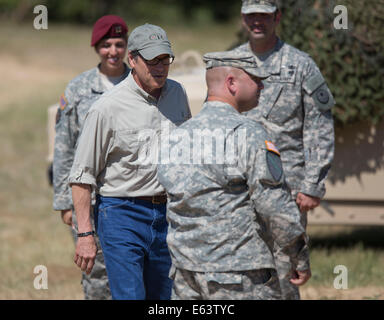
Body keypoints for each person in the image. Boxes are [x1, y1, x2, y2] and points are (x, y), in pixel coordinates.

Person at [156, 50, 311, 300]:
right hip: (239, 276)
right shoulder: (249, 134)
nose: (262, 85)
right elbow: (273, 205)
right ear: (231, 83)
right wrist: (298, 253)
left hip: (186, 275)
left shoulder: (175, 137)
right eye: (256, 79)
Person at [68, 23, 192, 300]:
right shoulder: (106, 108)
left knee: (164, 298)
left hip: (169, 215)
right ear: (133, 60)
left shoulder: (178, 94)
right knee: (130, 296)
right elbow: (82, 175)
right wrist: (85, 234)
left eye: (164, 60)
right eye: (151, 61)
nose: (159, 67)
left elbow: (187, 155)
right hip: (122, 213)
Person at [232, 0, 335, 299]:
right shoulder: (230, 65)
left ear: (277, 16)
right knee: (239, 270)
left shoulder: (301, 64)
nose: (257, 22)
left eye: (264, 15)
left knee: (285, 271)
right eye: (252, 15)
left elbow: (319, 126)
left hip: (287, 188)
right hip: (238, 186)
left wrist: (313, 184)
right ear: (242, 18)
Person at [52, 15, 130, 300]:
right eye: (106, 45)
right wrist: (65, 202)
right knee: (97, 275)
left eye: (119, 44)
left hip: (130, 197)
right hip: (89, 198)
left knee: (133, 273)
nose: (113, 51)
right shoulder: (78, 89)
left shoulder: (139, 84)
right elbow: (64, 148)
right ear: (96, 47)